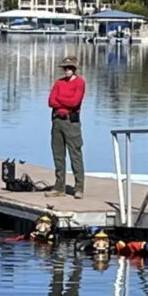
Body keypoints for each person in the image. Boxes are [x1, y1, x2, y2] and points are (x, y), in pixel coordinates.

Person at [47, 56, 86, 199]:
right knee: (58, 155)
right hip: (57, 121)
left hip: (72, 122)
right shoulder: (59, 83)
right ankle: (59, 187)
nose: (67, 71)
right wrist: (62, 103)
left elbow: (75, 102)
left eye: (70, 68)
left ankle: (79, 188)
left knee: (75, 154)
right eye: (65, 68)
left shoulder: (80, 83)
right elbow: (51, 101)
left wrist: (60, 101)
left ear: (74, 69)